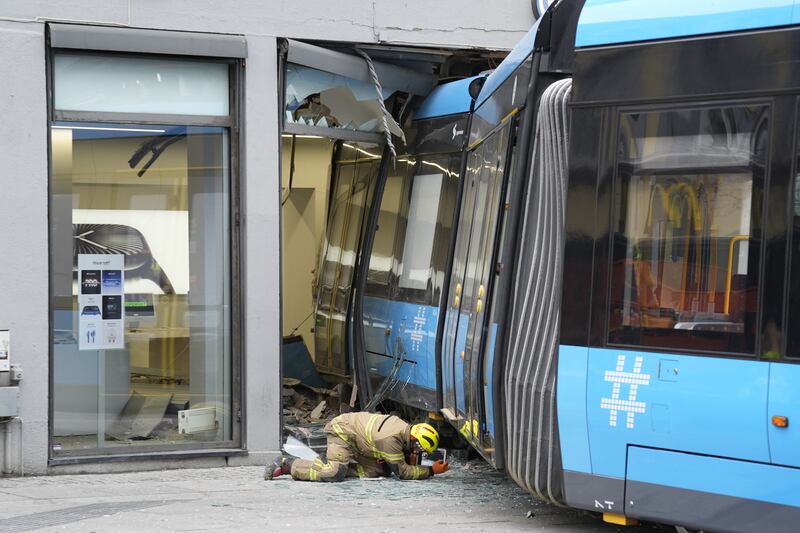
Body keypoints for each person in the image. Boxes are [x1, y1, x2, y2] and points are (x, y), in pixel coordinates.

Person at [265, 412, 450, 482]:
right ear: (415, 440)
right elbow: (402, 473)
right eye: (420, 449)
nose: (419, 453)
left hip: (359, 443)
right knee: (334, 474)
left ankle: (329, 460)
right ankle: (288, 465)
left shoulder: (402, 428)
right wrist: (431, 471)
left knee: (377, 470)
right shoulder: (392, 439)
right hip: (343, 432)